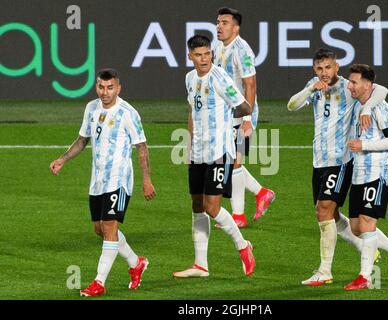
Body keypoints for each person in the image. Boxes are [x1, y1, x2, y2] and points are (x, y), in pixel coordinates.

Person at [287, 48, 388, 286]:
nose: (324, 73)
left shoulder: (349, 88)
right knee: (333, 216)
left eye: (328, 67)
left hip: (341, 161)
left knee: (323, 210)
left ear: (336, 67)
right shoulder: (314, 86)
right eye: (319, 68)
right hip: (319, 160)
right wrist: (310, 88)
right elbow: (291, 106)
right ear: (314, 69)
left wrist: (366, 108)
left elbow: (381, 90)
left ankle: (325, 271)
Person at [49, 68, 156, 296]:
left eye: (110, 87)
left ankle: (99, 282)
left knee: (109, 227)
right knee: (100, 229)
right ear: (96, 86)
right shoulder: (91, 108)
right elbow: (82, 139)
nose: (105, 92)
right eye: (101, 87)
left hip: (119, 179)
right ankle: (136, 262)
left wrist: (147, 180)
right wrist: (63, 158)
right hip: (97, 181)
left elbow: (142, 147)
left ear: (119, 88)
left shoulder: (128, 112)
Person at [172, 35, 255, 278]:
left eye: (207, 53)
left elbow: (244, 106)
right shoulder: (189, 78)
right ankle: (201, 265)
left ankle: (243, 245)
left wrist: (228, 123)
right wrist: (189, 146)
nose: (204, 58)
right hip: (198, 151)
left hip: (219, 151)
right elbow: (191, 111)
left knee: (212, 206)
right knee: (197, 205)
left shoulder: (219, 77)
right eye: (199, 54)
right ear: (190, 57)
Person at [344, 64, 388, 290]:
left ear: (367, 85)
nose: (350, 86)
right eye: (350, 81)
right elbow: (379, 88)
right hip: (359, 173)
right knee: (356, 228)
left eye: (354, 82)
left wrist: (365, 144)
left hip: (377, 172)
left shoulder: (381, 108)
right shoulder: (358, 105)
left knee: (367, 224)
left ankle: (364, 277)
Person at [214, 7, 275, 228]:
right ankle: (262, 192)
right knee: (229, 161)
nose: (219, 26)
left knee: (235, 162)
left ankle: (238, 216)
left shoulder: (242, 51)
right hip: (225, 114)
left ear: (236, 27)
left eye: (225, 22)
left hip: (242, 113)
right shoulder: (217, 45)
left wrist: (247, 117)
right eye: (218, 22)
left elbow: (251, 84)